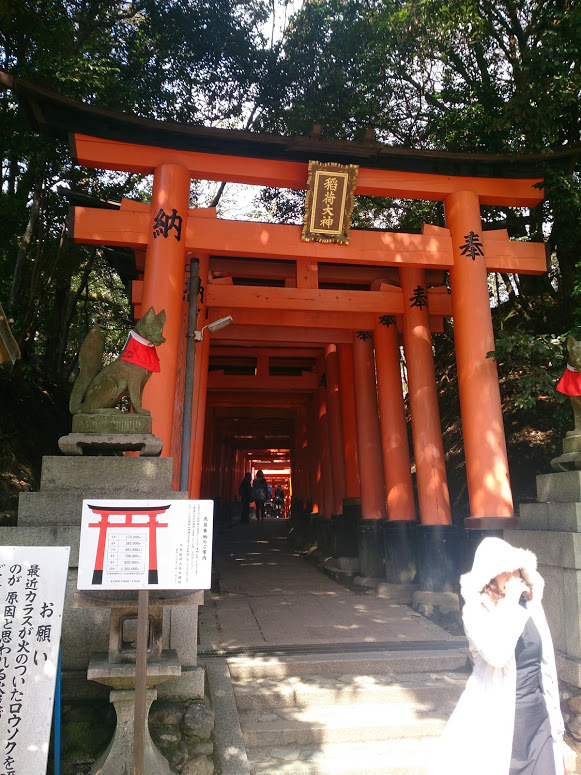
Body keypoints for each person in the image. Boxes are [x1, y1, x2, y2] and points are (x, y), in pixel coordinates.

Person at [430, 537, 564, 775]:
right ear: (490, 575)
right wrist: (510, 603)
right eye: (506, 571)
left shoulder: (530, 605)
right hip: (497, 717)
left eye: (517, 570)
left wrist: (556, 724)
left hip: (537, 717)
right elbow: (496, 654)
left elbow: (547, 666)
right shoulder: (475, 611)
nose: (513, 577)